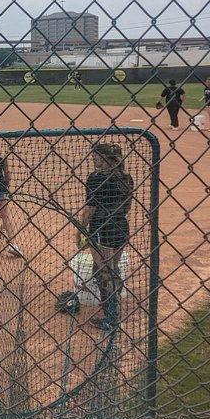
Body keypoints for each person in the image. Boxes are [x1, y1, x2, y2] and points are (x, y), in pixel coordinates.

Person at [58, 142, 133, 331]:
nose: (93, 158)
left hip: (102, 228)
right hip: (121, 227)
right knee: (112, 268)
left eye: (96, 155)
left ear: (106, 158)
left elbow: (90, 209)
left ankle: (110, 317)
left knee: (102, 272)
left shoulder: (96, 178)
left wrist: (80, 230)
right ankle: (112, 304)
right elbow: (127, 206)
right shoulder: (126, 178)